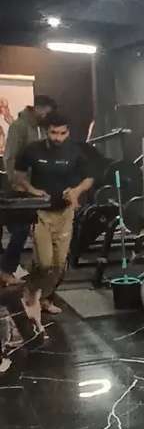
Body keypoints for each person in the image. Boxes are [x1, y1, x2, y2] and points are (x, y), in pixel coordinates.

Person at [14, 111, 93, 315]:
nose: (58, 137)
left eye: (62, 133)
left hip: (64, 214)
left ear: (68, 132)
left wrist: (76, 191)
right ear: (46, 131)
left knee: (59, 265)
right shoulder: (33, 150)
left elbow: (89, 178)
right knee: (45, 263)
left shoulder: (75, 151)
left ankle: (45, 298)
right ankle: (31, 292)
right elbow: (19, 174)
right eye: (53, 133)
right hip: (41, 213)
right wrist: (31, 189)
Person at [0, 95, 57, 286]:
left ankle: (21, 268)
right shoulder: (19, 126)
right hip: (19, 188)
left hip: (34, 189)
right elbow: (10, 157)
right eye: (47, 113)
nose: (48, 117)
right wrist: (17, 183)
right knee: (21, 229)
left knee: (34, 229)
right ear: (38, 108)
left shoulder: (40, 129)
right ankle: (6, 270)